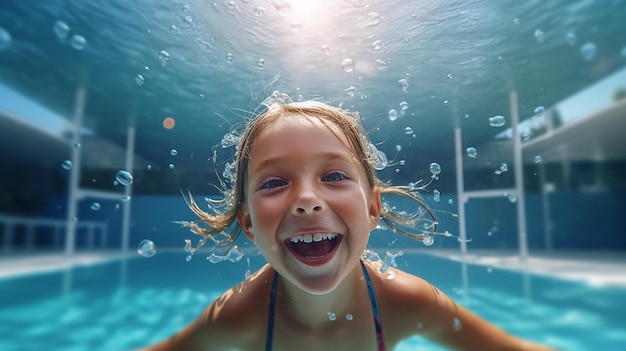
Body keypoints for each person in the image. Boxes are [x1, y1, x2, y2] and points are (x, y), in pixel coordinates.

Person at [141, 93, 556, 351]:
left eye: (335, 176)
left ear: (373, 209)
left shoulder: (405, 302)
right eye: (274, 182)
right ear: (249, 223)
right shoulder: (240, 314)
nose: (306, 200)